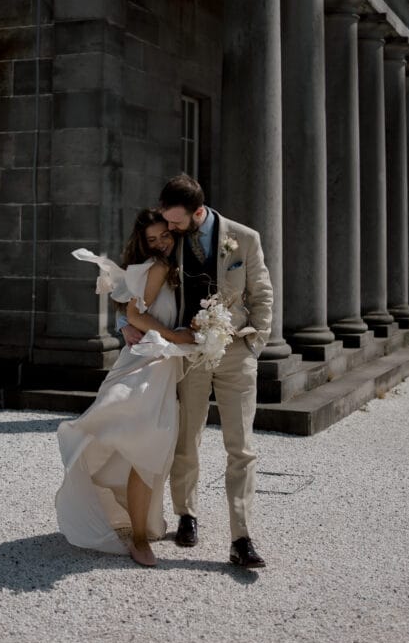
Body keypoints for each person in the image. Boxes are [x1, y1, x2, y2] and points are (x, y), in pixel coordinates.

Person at [121, 174, 272, 568]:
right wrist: (126, 323)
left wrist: (256, 344)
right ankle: (187, 515)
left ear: (198, 212)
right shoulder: (170, 240)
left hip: (236, 350)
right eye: (167, 222)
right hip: (187, 353)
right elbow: (134, 283)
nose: (167, 229)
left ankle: (241, 537)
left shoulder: (244, 238)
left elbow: (262, 292)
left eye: (175, 221)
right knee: (186, 440)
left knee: (240, 447)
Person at [55, 209, 195, 567]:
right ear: (143, 243)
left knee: (148, 450)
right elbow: (134, 314)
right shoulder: (159, 266)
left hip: (159, 364)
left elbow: (130, 311)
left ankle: (139, 526)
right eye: (153, 239)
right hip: (147, 364)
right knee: (147, 450)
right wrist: (176, 335)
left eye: (165, 235)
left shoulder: (164, 266)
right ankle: (137, 538)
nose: (161, 242)